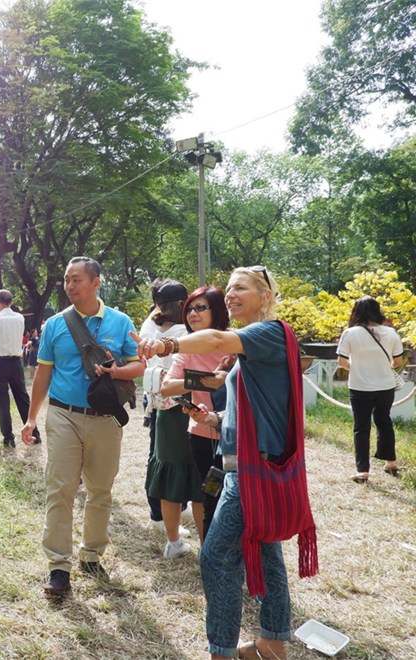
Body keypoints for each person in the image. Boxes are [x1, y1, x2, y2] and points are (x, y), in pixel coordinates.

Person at [133, 266, 310, 660]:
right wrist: (214, 419)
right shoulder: (252, 344)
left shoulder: (268, 332)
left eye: (240, 287)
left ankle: (222, 652)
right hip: (246, 461)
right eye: (228, 288)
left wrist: (165, 344)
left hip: (251, 470)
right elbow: (252, 405)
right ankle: (272, 644)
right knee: (265, 554)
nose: (231, 294)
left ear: (265, 296)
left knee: (214, 557)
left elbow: (213, 338)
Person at [22, 257, 144, 597]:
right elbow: (43, 373)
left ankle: (91, 555)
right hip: (63, 415)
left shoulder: (120, 322)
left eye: (77, 279)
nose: (70, 286)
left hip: (105, 418)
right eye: (67, 280)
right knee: (60, 489)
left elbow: (138, 366)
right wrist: (31, 418)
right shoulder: (55, 325)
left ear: (96, 283)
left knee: (100, 490)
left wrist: (116, 371)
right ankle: (59, 566)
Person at [159, 286, 233, 544]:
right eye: (189, 309)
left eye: (200, 308)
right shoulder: (188, 349)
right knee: (207, 496)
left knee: (238, 500)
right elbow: (167, 387)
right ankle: (209, 552)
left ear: (219, 310)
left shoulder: (235, 342)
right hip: (202, 435)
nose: (192, 314)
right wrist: (203, 379)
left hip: (237, 434)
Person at [139, 279, 191, 539]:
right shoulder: (184, 331)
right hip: (178, 399)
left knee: (156, 454)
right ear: (182, 303)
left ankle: (160, 512)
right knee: (176, 459)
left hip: (154, 397)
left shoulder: (149, 325)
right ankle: (166, 512)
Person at [337, 296, 404, 483]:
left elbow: (341, 361)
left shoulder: (350, 333)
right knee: (384, 422)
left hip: (360, 387)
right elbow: (398, 361)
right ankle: (391, 462)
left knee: (361, 427)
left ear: (356, 312)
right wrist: (382, 367)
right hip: (386, 386)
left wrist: (357, 369)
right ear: (377, 311)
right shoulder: (391, 333)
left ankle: (362, 471)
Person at [0, 290, 41, 448]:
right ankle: (35, 433)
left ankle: (8, 437)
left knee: (2, 400)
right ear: (11, 303)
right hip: (16, 362)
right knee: (22, 398)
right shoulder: (19, 318)